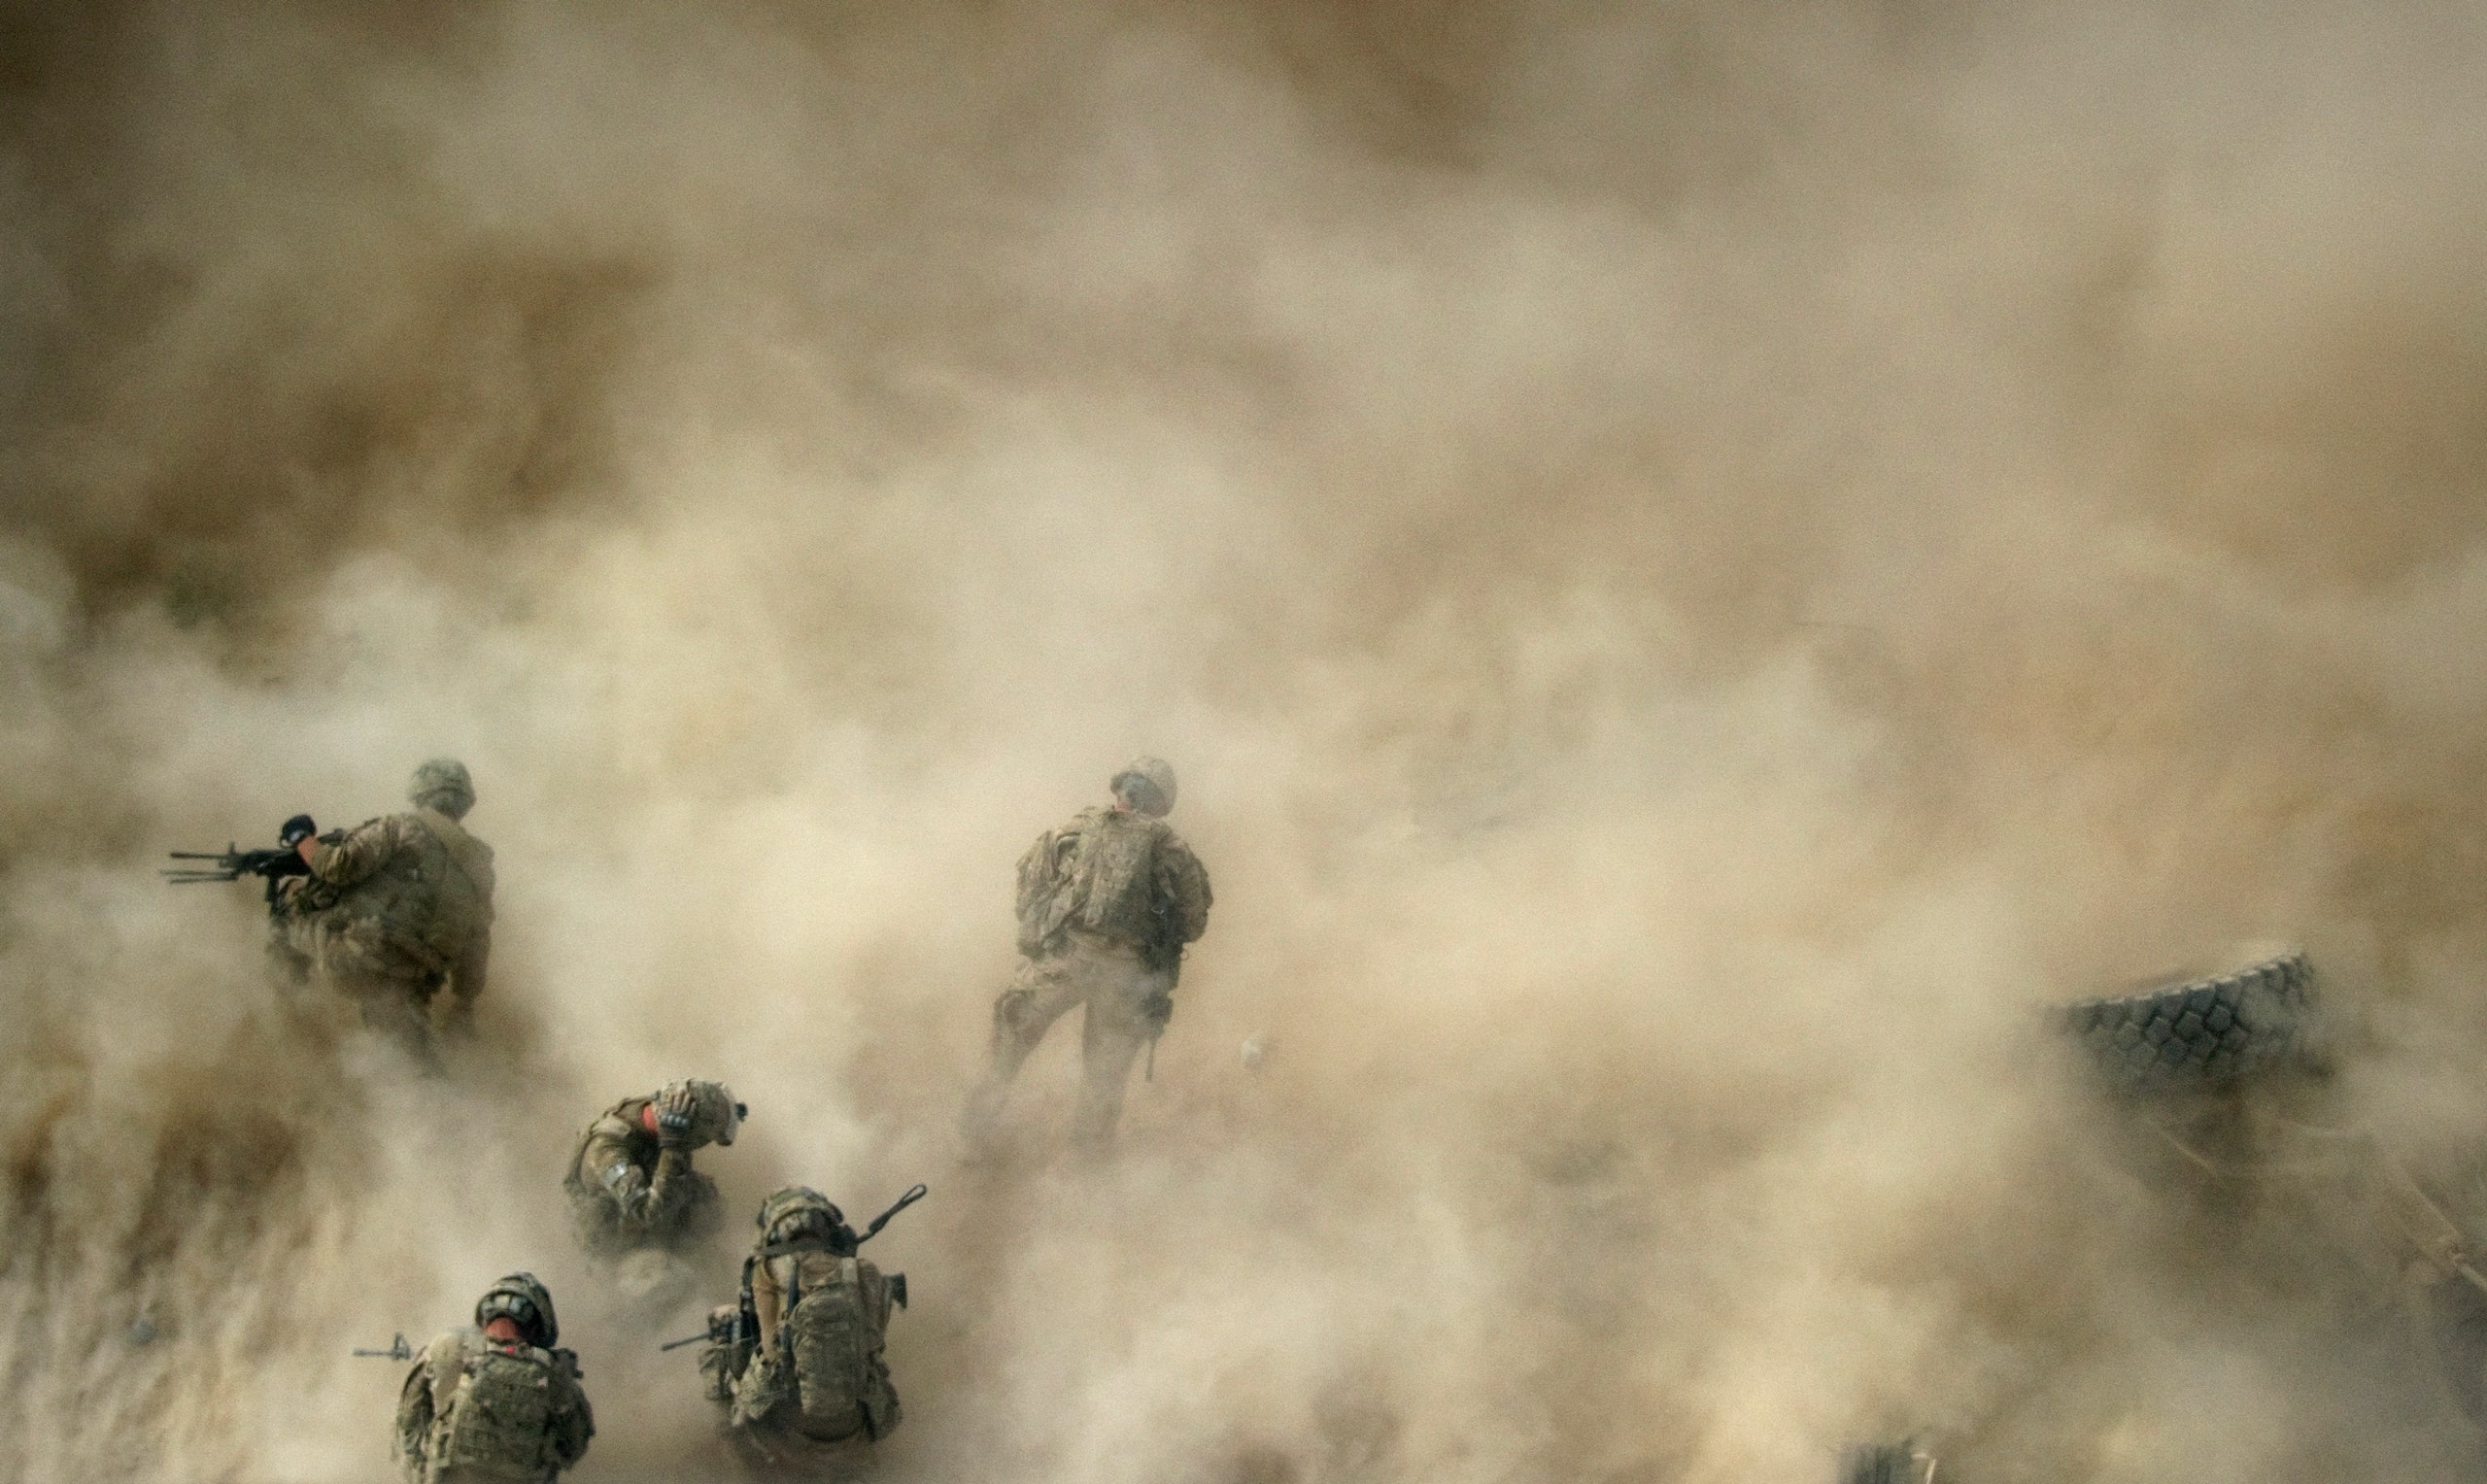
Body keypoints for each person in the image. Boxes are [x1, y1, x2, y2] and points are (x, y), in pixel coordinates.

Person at [964, 757, 1211, 1154]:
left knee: (1010, 1041)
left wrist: (1045, 929)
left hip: (1066, 958)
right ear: (1161, 804)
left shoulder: (1079, 828)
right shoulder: (1174, 850)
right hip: (1128, 975)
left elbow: (1030, 877)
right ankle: (1087, 1168)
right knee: (1105, 1075)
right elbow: (1194, 922)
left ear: (1118, 790)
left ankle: (975, 1138)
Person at [277, 758, 494, 1051]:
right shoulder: (478, 863)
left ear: (420, 794)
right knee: (407, 1059)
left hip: (359, 958)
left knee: (288, 902)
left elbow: (336, 867)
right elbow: (477, 940)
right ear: (465, 802)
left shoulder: (400, 829)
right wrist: (464, 1004)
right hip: (414, 977)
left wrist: (300, 837)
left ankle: (283, 1012)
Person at [704, 1187, 904, 1468]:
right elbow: (874, 1343)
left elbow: (768, 1347)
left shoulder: (764, 1270)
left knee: (723, 1349)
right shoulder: (865, 1272)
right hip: (853, 1434)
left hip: (785, 1437)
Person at [394, 1272, 593, 1484]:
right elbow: (574, 1446)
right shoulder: (554, 1373)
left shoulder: (448, 1348)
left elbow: (408, 1422)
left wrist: (425, 1464)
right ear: (535, 1323)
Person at [563, 1079, 744, 1262]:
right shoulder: (606, 1152)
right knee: (667, 1279)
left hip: (645, 1209)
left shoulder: (660, 1111)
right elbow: (649, 1217)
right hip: (617, 1247)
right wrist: (673, 1147)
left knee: (705, 1199)